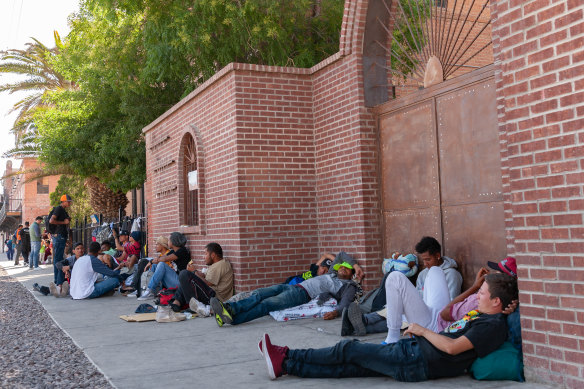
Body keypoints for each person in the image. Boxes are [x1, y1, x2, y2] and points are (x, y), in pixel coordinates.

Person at [261, 273, 518, 381]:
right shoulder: (486, 314)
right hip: (416, 353)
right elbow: (448, 315)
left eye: (482, 293)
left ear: (496, 301)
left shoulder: (490, 325)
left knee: (349, 350)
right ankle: (285, 366)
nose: (478, 295)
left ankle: (287, 354)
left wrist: (422, 330)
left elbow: (452, 348)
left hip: (417, 360)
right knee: (350, 367)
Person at [343, 257, 519, 337]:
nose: (492, 272)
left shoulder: (485, 301)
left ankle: (392, 336)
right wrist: (476, 287)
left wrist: (474, 288)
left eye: (497, 271)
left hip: (435, 325)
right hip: (439, 313)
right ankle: (363, 322)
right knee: (434, 271)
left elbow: (446, 312)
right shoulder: (490, 294)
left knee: (394, 278)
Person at [210, 261, 359, 327]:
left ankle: (233, 318)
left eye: (346, 269)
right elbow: (339, 255)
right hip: (293, 286)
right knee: (259, 293)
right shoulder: (333, 274)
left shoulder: (349, 286)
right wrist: (351, 264)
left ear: (351, 274)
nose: (342, 269)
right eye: (341, 267)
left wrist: (336, 312)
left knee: (266, 305)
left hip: (302, 294)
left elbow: (345, 302)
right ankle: (230, 309)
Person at [170, 242, 234, 314]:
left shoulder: (220, 265)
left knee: (184, 274)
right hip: (210, 293)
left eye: (205, 254)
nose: (203, 257)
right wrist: (193, 272)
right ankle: (176, 303)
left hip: (215, 298)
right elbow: (204, 276)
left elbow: (208, 283)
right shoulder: (216, 264)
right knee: (185, 277)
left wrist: (194, 271)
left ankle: (192, 306)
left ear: (213, 255)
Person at [138, 232, 190, 300]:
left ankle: (150, 291)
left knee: (162, 264)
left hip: (180, 283)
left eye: (169, 240)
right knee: (155, 265)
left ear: (173, 241)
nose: (167, 242)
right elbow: (161, 258)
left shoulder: (182, 251)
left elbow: (165, 258)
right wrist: (151, 262)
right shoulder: (173, 251)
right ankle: (150, 290)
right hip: (173, 280)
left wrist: (154, 261)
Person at [49, 194, 73, 284]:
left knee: (58, 258)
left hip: (60, 236)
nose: (70, 203)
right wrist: (64, 222)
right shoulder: (59, 209)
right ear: (64, 201)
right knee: (58, 259)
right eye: (68, 201)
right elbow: (51, 220)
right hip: (59, 236)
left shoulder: (62, 210)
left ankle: (58, 279)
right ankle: (57, 280)